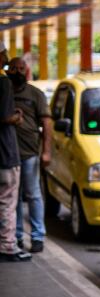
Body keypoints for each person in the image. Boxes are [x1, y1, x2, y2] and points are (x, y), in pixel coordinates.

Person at [9, 56, 52, 253]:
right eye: (14, 68)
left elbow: (47, 124)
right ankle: (16, 235)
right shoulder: (5, 93)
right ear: (8, 70)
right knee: (13, 197)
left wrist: (47, 152)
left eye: (21, 68)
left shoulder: (35, 94)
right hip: (8, 154)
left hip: (29, 153)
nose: (18, 72)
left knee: (33, 194)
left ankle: (37, 236)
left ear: (26, 71)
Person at [0, 42, 29, 262]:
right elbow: (4, 117)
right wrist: (17, 117)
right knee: (7, 202)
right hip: (5, 153)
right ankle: (7, 246)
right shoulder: (4, 83)